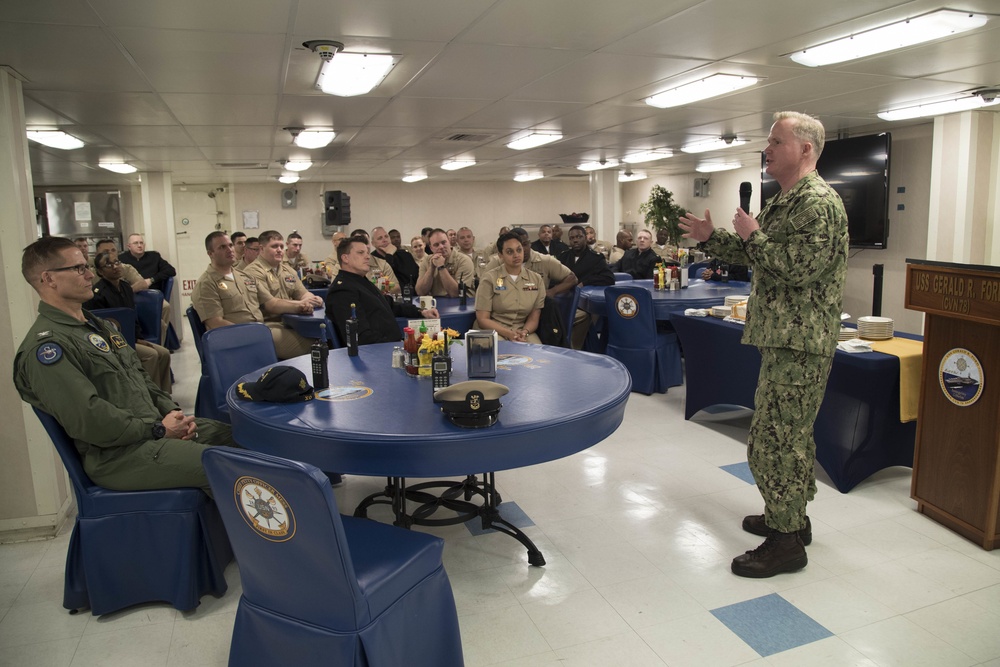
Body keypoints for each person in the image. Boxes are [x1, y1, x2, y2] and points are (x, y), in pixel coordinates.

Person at [678, 110, 848, 578]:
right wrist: (715, 238)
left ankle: (786, 542)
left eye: (776, 141)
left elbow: (796, 268)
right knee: (785, 437)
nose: (766, 149)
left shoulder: (817, 203)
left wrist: (754, 237)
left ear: (806, 150)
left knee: (776, 442)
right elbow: (762, 255)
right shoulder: (788, 198)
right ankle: (789, 517)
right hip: (785, 339)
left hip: (801, 342)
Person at [14, 236, 235, 496]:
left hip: (152, 432)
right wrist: (158, 429)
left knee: (248, 439)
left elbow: (140, 378)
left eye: (87, 267)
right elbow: (89, 419)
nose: (89, 275)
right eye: (79, 268)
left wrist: (173, 414)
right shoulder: (48, 347)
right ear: (48, 279)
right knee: (234, 467)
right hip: (119, 456)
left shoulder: (98, 326)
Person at [191, 232, 313, 360]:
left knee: (315, 336)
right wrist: (253, 334)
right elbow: (215, 323)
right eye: (222, 247)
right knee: (317, 346)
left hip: (262, 329)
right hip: (239, 338)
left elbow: (271, 303)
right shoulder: (206, 284)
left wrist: (300, 306)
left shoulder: (244, 276)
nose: (229, 250)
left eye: (230, 245)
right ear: (210, 253)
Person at [85, 250, 172, 392]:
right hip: (115, 343)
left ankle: (165, 394)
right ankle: (152, 397)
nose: (115, 267)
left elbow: (132, 317)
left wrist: (139, 338)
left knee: (164, 353)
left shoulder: (125, 287)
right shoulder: (98, 294)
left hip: (132, 339)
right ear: (100, 272)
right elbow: (103, 327)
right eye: (108, 265)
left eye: (116, 262)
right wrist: (134, 341)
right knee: (151, 355)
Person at [325, 238, 439, 345]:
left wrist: (421, 312)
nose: (367, 257)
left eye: (367, 252)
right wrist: (395, 347)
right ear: (345, 258)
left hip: (388, 345)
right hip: (377, 352)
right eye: (361, 253)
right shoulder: (343, 291)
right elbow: (361, 338)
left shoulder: (360, 282)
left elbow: (389, 304)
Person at [475, 232, 546, 343]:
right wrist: (508, 333)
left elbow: (534, 317)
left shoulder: (536, 279)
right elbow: (482, 319)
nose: (516, 255)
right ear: (500, 255)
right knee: (503, 353)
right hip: (493, 331)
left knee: (537, 353)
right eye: (509, 252)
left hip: (521, 331)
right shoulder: (489, 279)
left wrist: (525, 332)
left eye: (519, 250)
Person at [240, 230, 325, 323]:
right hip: (269, 323)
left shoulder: (288, 270)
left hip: (292, 319)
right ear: (261, 249)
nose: (279, 250)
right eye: (274, 246)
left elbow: (303, 293)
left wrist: (314, 299)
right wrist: (301, 304)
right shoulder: (253, 272)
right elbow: (271, 305)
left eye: (281, 246)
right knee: (312, 337)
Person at [558, 225, 614, 348]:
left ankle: (573, 349)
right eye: (572, 238)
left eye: (579, 237)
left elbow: (609, 278)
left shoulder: (596, 258)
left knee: (582, 318)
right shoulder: (563, 257)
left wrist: (585, 282)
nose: (575, 240)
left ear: (585, 237)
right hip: (564, 298)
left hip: (584, 302)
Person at [482, 228, 577, 297]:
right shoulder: (497, 261)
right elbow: (484, 286)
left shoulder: (545, 260)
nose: (522, 249)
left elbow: (572, 278)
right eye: (517, 247)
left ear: (530, 243)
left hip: (536, 310)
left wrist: (552, 291)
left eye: (525, 244)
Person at [415, 229, 475, 297]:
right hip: (435, 304)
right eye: (436, 245)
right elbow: (420, 292)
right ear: (431, 248)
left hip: (462, 304)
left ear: (449, 242)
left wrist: (441, 267)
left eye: (444, 242)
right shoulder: (426, 261)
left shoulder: (464, 260)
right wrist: (431, 268)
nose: (441, 247)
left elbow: (455, 294)